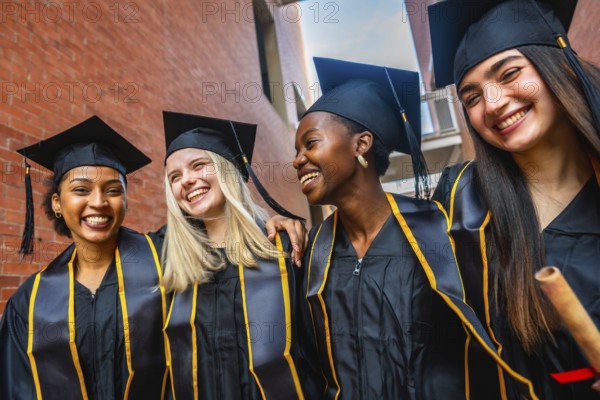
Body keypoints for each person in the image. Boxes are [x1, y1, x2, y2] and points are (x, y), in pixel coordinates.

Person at [291, 56, 524, 399]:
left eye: (310, 143)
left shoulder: (441, 230)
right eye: (296, 150)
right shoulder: (313, 254)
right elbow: (307, 363)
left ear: (361, 144)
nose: (297, 159)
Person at [428, 0, 600, 398]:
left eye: (509, 74)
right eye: (471, 98)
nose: (492, 103)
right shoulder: (463, 207)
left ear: (557, 63)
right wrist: (282, 231)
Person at [0, 116, 170, 399]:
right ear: (57, 202)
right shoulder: (30, 303)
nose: (99, 202)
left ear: (126, 200)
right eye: (81, 189)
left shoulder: (166, 261)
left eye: (113, 191)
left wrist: (265, 225)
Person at [160, 111, 317, 399]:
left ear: (228, 169)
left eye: (199, 165)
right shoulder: (173, 266)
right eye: (175, 176)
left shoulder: (282, 249)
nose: (187, 180)